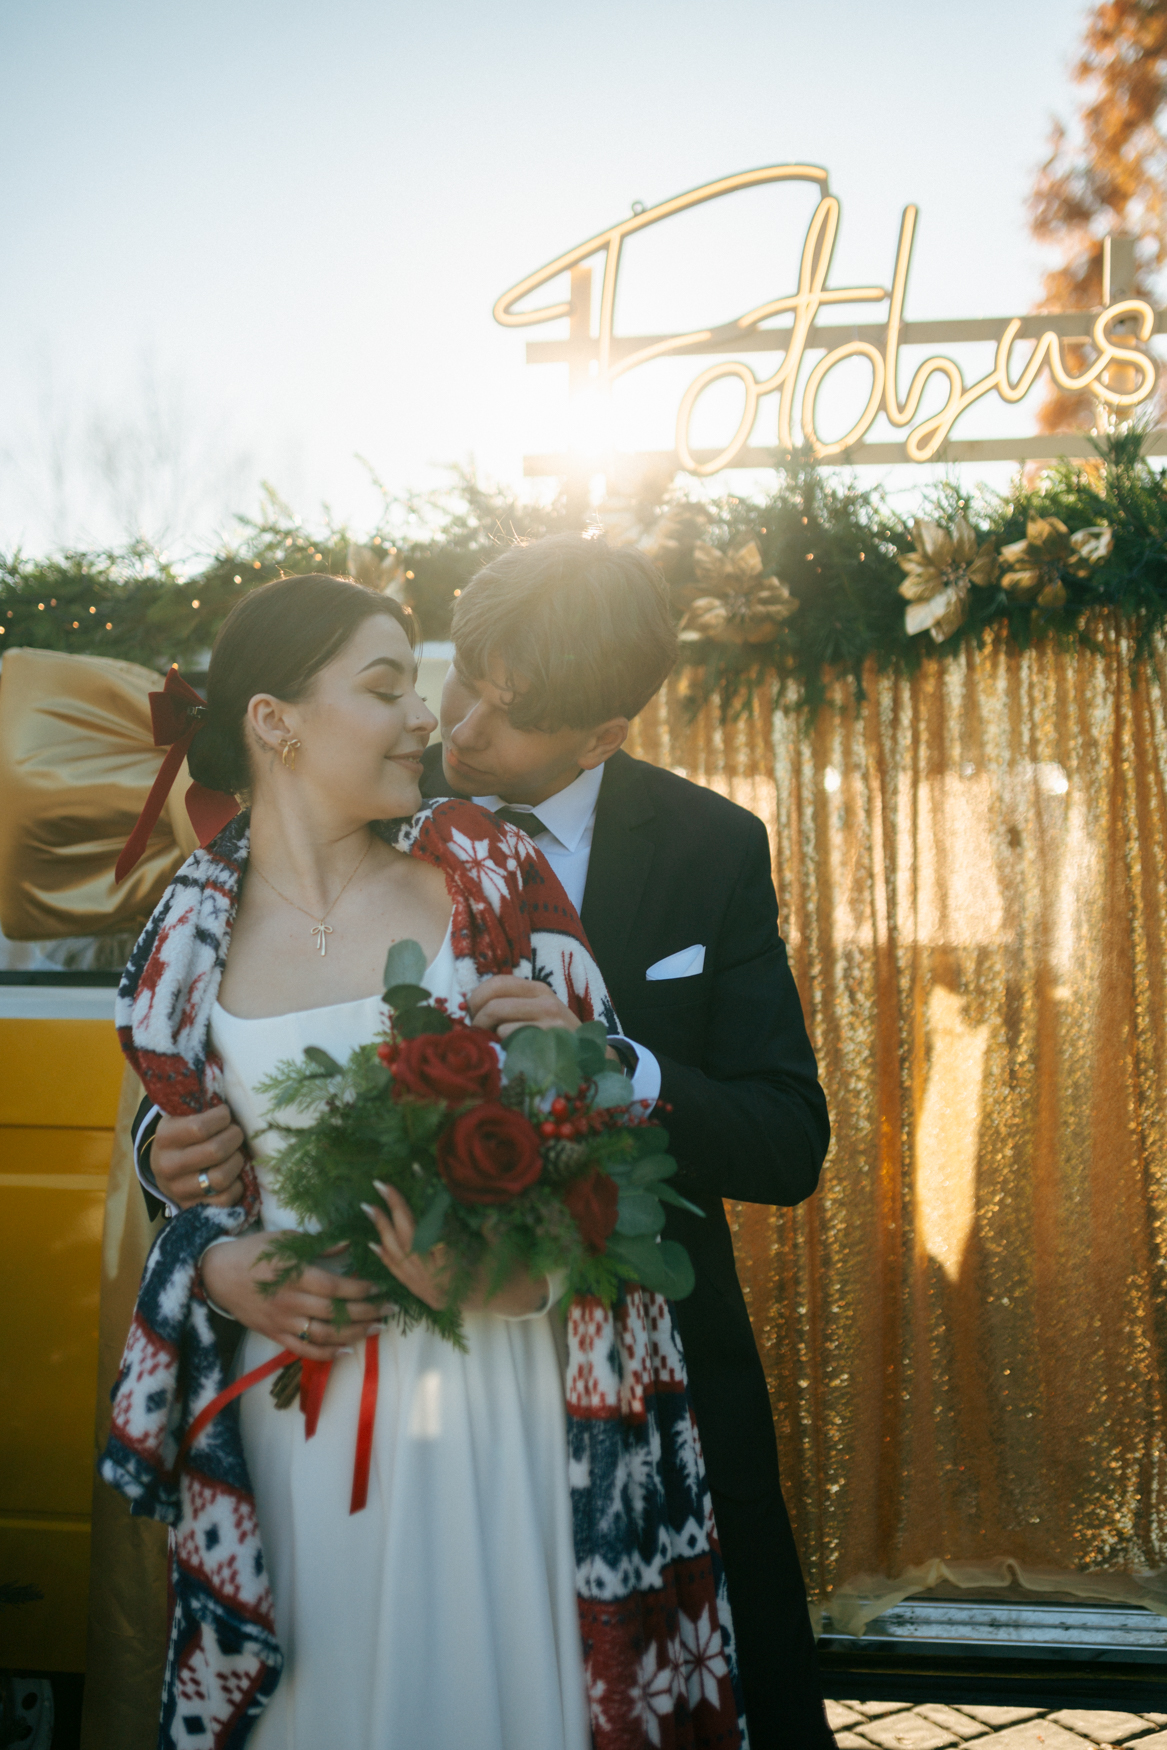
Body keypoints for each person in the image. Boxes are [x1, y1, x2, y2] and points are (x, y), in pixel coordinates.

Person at [140, 536, 834, 1747]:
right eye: (454, 678)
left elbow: (787, 1140)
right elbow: (208, 1059)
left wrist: (611, 1063)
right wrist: (171, 1162)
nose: (453, 727)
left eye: (505, 715)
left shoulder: (707, 847)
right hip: (323, 1404)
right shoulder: (314, 817)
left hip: (617, 1368)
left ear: (602, 733)